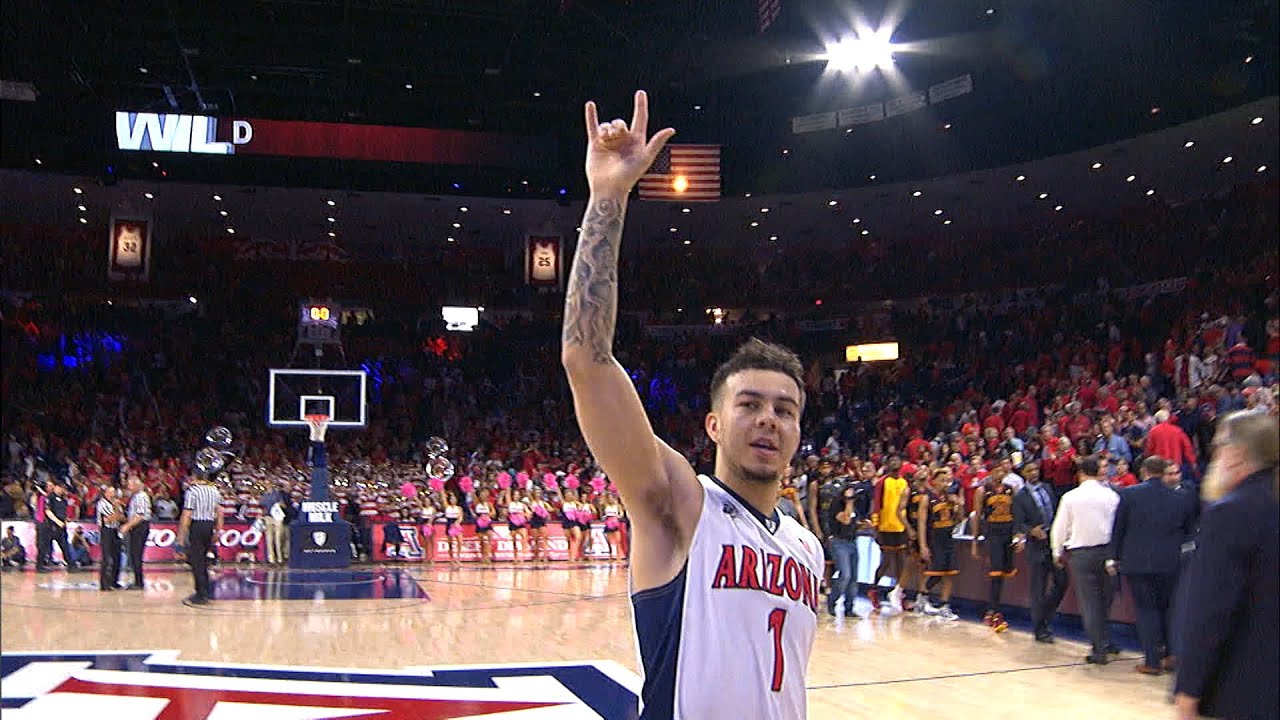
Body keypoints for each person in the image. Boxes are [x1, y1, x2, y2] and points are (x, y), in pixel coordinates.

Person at [561, 90, 820, 720]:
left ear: (798, 430)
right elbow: (586, 360)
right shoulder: (680, 502)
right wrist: (609, 198)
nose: (768, 419)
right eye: (750, 404)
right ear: (713, 423)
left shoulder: (807, 549)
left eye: (785, 410)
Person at [1174, 412, 1279, 720]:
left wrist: (1189, 688)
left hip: (1242, 688)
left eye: (1219, 445)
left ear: (1236, 454)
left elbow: (1211, 610)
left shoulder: (1231, 512)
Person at [1107, 455, 1198, 675]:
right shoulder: (1183, 498)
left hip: (1137, 563)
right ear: (1163, 471)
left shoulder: (1129, 494)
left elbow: (1119, 529)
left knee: (1147, 611)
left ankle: (1152, 662)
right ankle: (1172, 656)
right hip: (1171, 563)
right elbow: (1190, 531)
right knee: (1170, 609)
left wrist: (1113, 557)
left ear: (1144, 472)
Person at [1051, 455, 1120, 664]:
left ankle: (1098, 649)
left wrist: (1056, 550)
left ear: (1080, 473)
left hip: (1081, 554)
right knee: (1105, 601)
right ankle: (1104, 641)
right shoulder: (1112, 496)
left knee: (1090, 603)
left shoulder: (1071, 497)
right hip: (1108, 553)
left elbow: (1060, 526)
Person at [1013, 461, 1067, 643]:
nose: (1034, 473)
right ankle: (1040, 629)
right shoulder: (1020, 496)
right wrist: (1030, 531)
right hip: (1036, 546)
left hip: (1053, 542)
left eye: (1036, 469)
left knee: (1062, 581)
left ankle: (1045, 615)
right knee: (1038, 589)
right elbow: (1019, 522)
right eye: (1030, 470)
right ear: (1023, 473)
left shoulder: (1047, 488)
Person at [972, 466, 1017, 632]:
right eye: (997, 470)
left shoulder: (1010, 490)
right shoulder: (983, 490)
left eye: (1003, 471)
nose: (1000, 473)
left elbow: (1016, 513)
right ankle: (992, 610)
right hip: (992, 534)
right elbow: (977, 516)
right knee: (995, 572)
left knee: (1003, 574)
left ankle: (996, 609)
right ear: (991, 472)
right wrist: (975, 541)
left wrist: (1018, 536)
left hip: (1007, 533)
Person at [917, 468, 962, 620]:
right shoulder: (927, 498)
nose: (945, 483)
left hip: (948, 538)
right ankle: (922, 598)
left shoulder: (950, 498)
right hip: (933, 539)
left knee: (950, 573)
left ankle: (944, 605)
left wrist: (960, 506)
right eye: (942, 480)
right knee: (933, 573)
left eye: (947, 480)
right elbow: (922, 523)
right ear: (934, 481)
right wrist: (923, 545)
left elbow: (959, 520)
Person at [869, 456, 910, 611]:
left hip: (901, 527)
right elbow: (877, 504)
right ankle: (873, 590)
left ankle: (899, 594)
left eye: (897, 461)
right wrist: (875, 525)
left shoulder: (904, 482)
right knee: (886, 561)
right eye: (891, 461)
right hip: (885, 527)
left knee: (901, 562)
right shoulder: (882, 482)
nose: (895, 463)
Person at [177, 473, 224, 605]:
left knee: (196, 561)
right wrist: (218, 530)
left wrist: (181, 536)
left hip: (197, 525)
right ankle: (206, 591)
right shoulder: (215, 490)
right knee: (204, 560)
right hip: (209, 525)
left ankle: (201, 594)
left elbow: (187, 513)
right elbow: (220, 512)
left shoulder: (192, 491)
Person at [119, 476, 152, 589]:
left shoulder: (141, 496)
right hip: (136, 527)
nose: (128, 487)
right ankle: (137, 580)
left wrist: (127, 526)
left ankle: (139, 582)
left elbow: (140, 515)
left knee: (136, 554)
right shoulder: (135, 496)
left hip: (140, 527)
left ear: (136, 485)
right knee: (133, 554)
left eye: (130, 485)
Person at [96, 486, 124, 590]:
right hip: (106, 531)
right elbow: (109, 519)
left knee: (117, 557)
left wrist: (117, 513)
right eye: (110, 493)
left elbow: (122, 517)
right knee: (107, 558)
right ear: (106, 493)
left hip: (115, 531)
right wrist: (116, 510)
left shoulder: (116, 503)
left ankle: (114, 581)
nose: (113, 495)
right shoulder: (102, 503)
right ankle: (105, 584)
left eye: (114, 492)